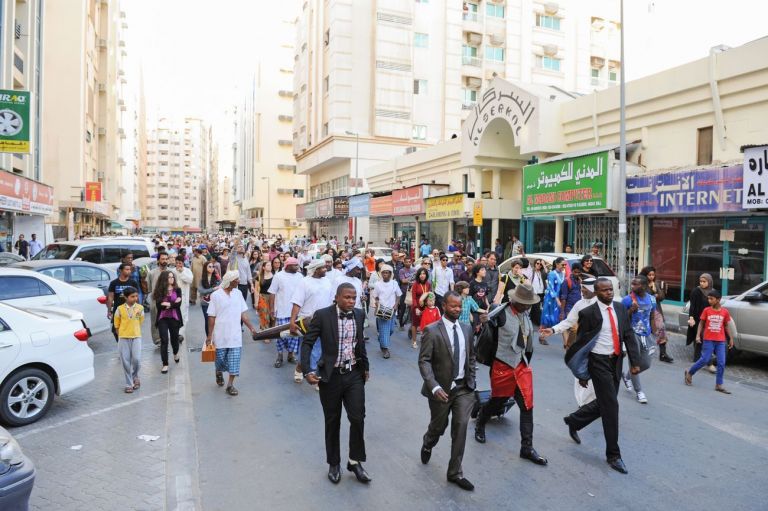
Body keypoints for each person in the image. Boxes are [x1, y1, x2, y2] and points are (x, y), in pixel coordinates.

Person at [562, 278, 641, 474]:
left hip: (616, 360)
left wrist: (635, 361)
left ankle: (574, 420)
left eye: (610, 289)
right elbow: (581, 344)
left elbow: (629, 334)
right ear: (596, 292)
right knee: (611, 406)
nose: (609, 293)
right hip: (597, 362)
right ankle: (613, 455)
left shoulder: (620, 309)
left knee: (606, 402)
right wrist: (581, 373)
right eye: (605, 290)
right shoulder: (588, 313)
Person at [301, 284, 371, 485]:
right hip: (330, 377)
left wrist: (365, 366)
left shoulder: (358, 314)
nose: (351, 301)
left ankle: (354, 461)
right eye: (347, 297)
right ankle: (334, 463)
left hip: (354, 375)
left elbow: (360, 344)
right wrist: (307, 370)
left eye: (354, 297)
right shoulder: (323, 315)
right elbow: (307, 342)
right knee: (333, 421)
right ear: (337, 297)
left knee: (358, 418)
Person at [473, 284, 548, 466]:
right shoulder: (500, 313)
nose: (527, 306)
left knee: (527, 405)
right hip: (502, 365)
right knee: (497, 401)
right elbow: (484, 331)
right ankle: (480, 423)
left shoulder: (525, 314)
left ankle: (527, 448)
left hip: (521, 365)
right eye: (524, 303)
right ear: (515, 300)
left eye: (529, 303)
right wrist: (483, 322)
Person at [418, 291, 477, 491]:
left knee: (460, 426)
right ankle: (428, 442)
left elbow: (471, 356)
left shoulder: (467, 329)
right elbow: (424, 361)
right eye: (453, 306)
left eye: (459, 306)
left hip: (463, 389)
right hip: (440, 390)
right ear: (444, 306)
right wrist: (433, 386)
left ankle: (454, 473)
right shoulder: (432, 330)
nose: (457, 310)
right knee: (439, 426)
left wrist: (472, 380)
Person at [205, 271, 259, 396]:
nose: (239, 281)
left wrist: (251, 328)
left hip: (235, 335)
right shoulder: (216, 295)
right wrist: (209, 336)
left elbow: (243, 315)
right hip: (220, 335)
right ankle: (218, 371)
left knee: (234, 361)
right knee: (220, 360)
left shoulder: (238, 293)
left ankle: (230, 385)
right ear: (229, 281)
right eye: (237, 279)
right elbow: (211, 316)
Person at [290, 259, 334, 383]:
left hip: (325, 320)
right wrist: (292, 322)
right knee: (308, 348)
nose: (326, 270)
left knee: (319, 349)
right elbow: (297, 303)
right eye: (323, 268)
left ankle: (309, 371)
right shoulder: (304, 282)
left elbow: (332, 302)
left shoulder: (328, 282)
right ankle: (302, 368)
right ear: (316, 270)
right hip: (307, 322)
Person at [685, 290, 737, 394]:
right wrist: (698, 335)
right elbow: (701, 323)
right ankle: (690, 373)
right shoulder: (706, 310)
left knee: (722, 363)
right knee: (705, 359)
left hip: (721, 341)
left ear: (718, 300)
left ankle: (719, 384)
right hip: (708, 339)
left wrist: (731, 338)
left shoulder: (725, 312)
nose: (709, 300)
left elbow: (726, 325)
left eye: (711, 299)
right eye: (708, 298)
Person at [621, 275, 656, 404]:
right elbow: (620, 318)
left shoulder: (652, 300)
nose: (633, 286)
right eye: (632, 284)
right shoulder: (627, 300)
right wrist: (630, 311)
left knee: (646, 364)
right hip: (632, 335)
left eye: (636, 284)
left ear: (644, 286)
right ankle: (639, 392)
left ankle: (627, 376)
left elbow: (652, 317)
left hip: (646, 335)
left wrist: (655, 333)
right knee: (634, 362)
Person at [112, 286, 144, 393]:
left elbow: (140, 321)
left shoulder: (140, 308)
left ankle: (135, 376)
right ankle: (129, 383)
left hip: (136, 336)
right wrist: (121, 335)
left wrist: (134, 331)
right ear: (126, 297)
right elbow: (116, 325)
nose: (135, 298)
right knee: (125, 361)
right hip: (123, 338)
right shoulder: (119, 309)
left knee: (137, 359)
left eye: (136, 296)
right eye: (132, 296)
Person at [640, 266, 673, 363]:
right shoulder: (642, 284)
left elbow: (662, 296)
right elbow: (645, 296)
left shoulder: (655, 284)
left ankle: (663, 353)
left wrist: (656, 291)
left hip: (656, 311)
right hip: (646, 312)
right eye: (649, 275)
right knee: (646, 332)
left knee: (661, 329)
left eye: (653, 275)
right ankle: (642, 352)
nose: (651, 277)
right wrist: (653, 293)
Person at [154, 270, 183, 374]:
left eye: (173, 277)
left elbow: (178, 305)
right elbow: (159, 306)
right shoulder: (159, 290)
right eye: (169, 277)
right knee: (164, 340)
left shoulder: (177, 289)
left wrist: (167, 304)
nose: (172, 279)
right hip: (163, 318)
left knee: (174, 339)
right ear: (164, 279)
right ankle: (165, 364)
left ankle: (175, 353)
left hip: (174, 317)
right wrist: (173, 303)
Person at [146, 252, 177, 346]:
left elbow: (175, 286)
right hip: (156, 300)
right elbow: (149, 289)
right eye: (162, 259)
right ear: (158, 260)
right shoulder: (152, 273)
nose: (164, 261)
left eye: (166, 259)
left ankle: (173, 336)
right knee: (155, 320)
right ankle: (157, 339)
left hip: (169, 300)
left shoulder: (172, 272)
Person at [371, 264, 402, 358]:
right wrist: (377, 303)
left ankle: (381, 338)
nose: (385, 274)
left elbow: (399, 295)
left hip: (392, 310)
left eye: (387, 272)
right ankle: (385, 349)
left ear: (390, 274)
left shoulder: (394, 283)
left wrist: (396, 305)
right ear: (381, 273)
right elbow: (375, 296)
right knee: (384, 330)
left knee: (391, 330)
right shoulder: (377, 284)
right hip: (382, 310)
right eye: (383, 272)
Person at [106, 263, 140, 342]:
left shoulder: (133, 283)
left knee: (130, 330)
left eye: (130, 270)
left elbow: (136, 297)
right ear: (121, 270)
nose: (129, 271)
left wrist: (138, 308)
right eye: (127, 269)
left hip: (130, 310)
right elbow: (110, 297)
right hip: (117, 310)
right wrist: (109, 311)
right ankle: (121, 345)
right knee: (115, 330)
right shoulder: (114, 283)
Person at [687, 273, 715, 369]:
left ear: (709, 282)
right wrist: (691, 318)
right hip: (697, 319)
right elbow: (692, 306)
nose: (702, 283)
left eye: (704, 281)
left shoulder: (712, 292)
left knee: (706, 339)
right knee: (699, 339)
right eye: (701, 281)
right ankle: (700, 360)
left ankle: (702, 360)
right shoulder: (696, 291)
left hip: (708, 320)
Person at [559, 263, 583, 348]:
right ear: (572, 271)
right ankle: (568, 346)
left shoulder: (580, 280)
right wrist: (562, 312)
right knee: (574, 328)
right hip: (568, 308)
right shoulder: (567, 281)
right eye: (576, 272)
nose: (577, 274)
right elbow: (563, 298)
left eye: (579, 272)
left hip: (578, 308)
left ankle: (567, 345)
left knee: (573, 328)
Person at [541, 257, 566, 327]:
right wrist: (557, 299)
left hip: (559, 296)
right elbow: (550, 287)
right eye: (562, 265)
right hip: (551, 298)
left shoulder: (563, 273)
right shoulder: (552, 274)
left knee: (556, 318)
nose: (564, 266)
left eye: (565, 265)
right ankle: (542, 335)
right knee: (547, 317)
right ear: (557, 264)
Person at [199, 261, 221, 338]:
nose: (212, 268)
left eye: (213, 267)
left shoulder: (216, 278)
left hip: (215, 303)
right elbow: (201, 291)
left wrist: (219, 278)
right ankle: (208, 337)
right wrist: (213, 289)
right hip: (205, 303)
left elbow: (221, 287)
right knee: (207, 320)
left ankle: (215, 337)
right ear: (205, 268)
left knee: (215, 320)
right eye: (210, 267)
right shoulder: (202, 279)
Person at [410, 267, 432, 345]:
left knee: (425, 324)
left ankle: (424, 339)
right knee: (415, 324)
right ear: (418, 275)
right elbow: (413, 297)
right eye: (420, 274)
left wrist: (429, 305)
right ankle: (414, 341)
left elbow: (429, 295)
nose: (422, 275)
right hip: (416, 306)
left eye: (424, 274)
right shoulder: (415, 284)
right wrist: (416, 308)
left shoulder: (428, 284)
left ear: (426, 275)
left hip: (425, 307)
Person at [174, 257, 193, 343]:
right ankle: (175, 332)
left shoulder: (187, 270)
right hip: (174, 297)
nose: (178, 265)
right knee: (175, 315)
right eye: (177, 262)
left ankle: (180, 334)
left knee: (184, 316)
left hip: (184, 297)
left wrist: (182, 273)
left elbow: (190, 280)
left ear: (183, 263)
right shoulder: (172, 271)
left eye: (180, 263)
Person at [255, 258, 275, 331]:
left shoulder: (275, 276)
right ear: (263, 267)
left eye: (270, 265)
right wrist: (256, 302)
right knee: (264, 315)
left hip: (273, 297)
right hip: (262, 297)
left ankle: (271, 330)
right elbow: (256, 291)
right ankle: (265, 332)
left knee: (272, 316)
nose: (270, 266)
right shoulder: (259, 277)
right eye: (268, 265)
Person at [397, 256, 415, 330]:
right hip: (404, 292)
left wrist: (409, 280)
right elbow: (403, 281)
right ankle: (401, 324)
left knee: (413, 309)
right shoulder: (401, 270)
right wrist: (411, 280)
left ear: (411, 262)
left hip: (412, 291)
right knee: (403, 308)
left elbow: (416, 280)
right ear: (404, 262)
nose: (408, 263)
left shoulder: (414, 270)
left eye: (409, 262)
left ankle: (413, 325)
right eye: (406, 262)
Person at [529, 258, 547, 327]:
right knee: (537, 309)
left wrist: (544, 265)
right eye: (537, 263)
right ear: (535, 264)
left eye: (540, 264)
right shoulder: (531, 272)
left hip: (541, 293)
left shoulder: (542, 273)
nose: (539, 265)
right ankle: (539, 323)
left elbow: (547, 275)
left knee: (535, 308)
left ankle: (533, 321)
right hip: (534, 293)